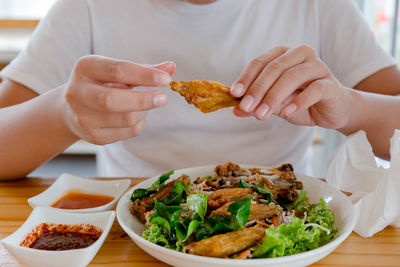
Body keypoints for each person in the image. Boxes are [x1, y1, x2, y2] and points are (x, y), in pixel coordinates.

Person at [0, 0, 399, 180]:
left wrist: (351, 108)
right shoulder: (85, 7)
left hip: (284, 221)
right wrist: (61, 115)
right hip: (134, 227)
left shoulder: (320, 6)